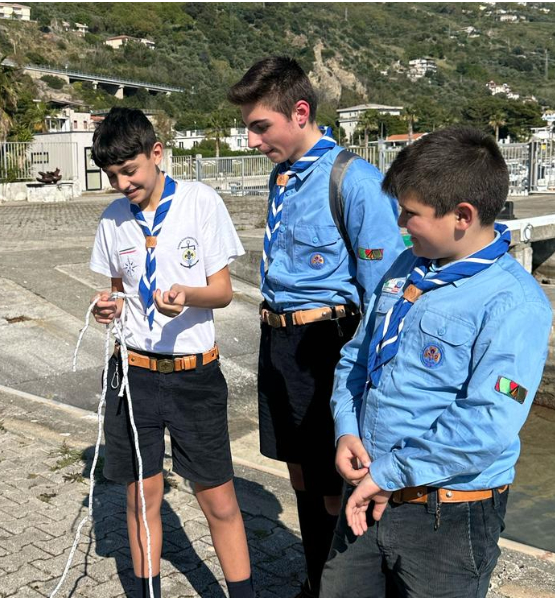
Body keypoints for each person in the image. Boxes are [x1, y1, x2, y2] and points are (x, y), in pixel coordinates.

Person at [321, 126, 553, 597]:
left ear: (462, 215)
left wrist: (391, 475)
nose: (401, 224)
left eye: (412, 214)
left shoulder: (515, 304)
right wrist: (346, 427)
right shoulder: (405, 267)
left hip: (446, 514)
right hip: (368, 488)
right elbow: (357, 357)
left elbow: (488, 423)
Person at [227, 56, 405, 596]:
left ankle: (344, 587)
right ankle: (314, 578)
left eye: (261, 126)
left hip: (327, 344)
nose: (254, 141)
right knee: (299, 472)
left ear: (299, 113)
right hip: (278, 340)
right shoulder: (282, 176)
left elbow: (384, 293)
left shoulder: (355, 181)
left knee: (336, 482)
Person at [88, 107, 254, 598]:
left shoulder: (201, 202)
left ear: (156, 154)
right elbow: (118, 292)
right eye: (113, 175)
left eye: (130, 171)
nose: (123, 183)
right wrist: (106, 308)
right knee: (143, 498)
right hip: (134, 374)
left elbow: (223, 291)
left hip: (193, 377)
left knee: (218, 499)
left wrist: (187, 294)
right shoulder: (113, 220)